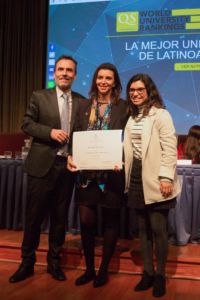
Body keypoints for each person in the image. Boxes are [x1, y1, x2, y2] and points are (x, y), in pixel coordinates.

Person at [9, 55, 85, 283]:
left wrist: (76, 154)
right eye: (60, 69)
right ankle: (27, 263)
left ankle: (54, 263)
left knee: (60, 219)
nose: (64, 73)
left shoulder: (82, 102)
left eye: (69, 70)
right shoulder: (39, 96)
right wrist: (50, 132)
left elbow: (82, 134)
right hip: (41, 166)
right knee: (33, 219)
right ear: (54, 73)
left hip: (67, 168)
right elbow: (27, 123)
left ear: (75, 75)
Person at [67, 63, 128, 287]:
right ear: (95, 80)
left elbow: (128, 140)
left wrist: (122, 158)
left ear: (115, 82)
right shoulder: (84, 105)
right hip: (86, 176)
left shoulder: (124, 107)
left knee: (111, 223)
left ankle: (103, 271)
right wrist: (71, 156)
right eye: (100, 77)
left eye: (108, 78)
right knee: (86, 221)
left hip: (112, 176)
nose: (103, 81)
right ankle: (90, 269)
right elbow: (75, 135)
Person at [123, 74, 180, 297]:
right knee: (142, 230)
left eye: (140, 90)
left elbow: (169, 148)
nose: (135, 94)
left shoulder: (161, 115)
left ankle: (160, 275)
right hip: (136, 177)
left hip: (157, 178)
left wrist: (166, 177)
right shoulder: (131, 116)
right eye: (132, 90)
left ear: (149, 91)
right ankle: (147, 272)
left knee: (158, 230)